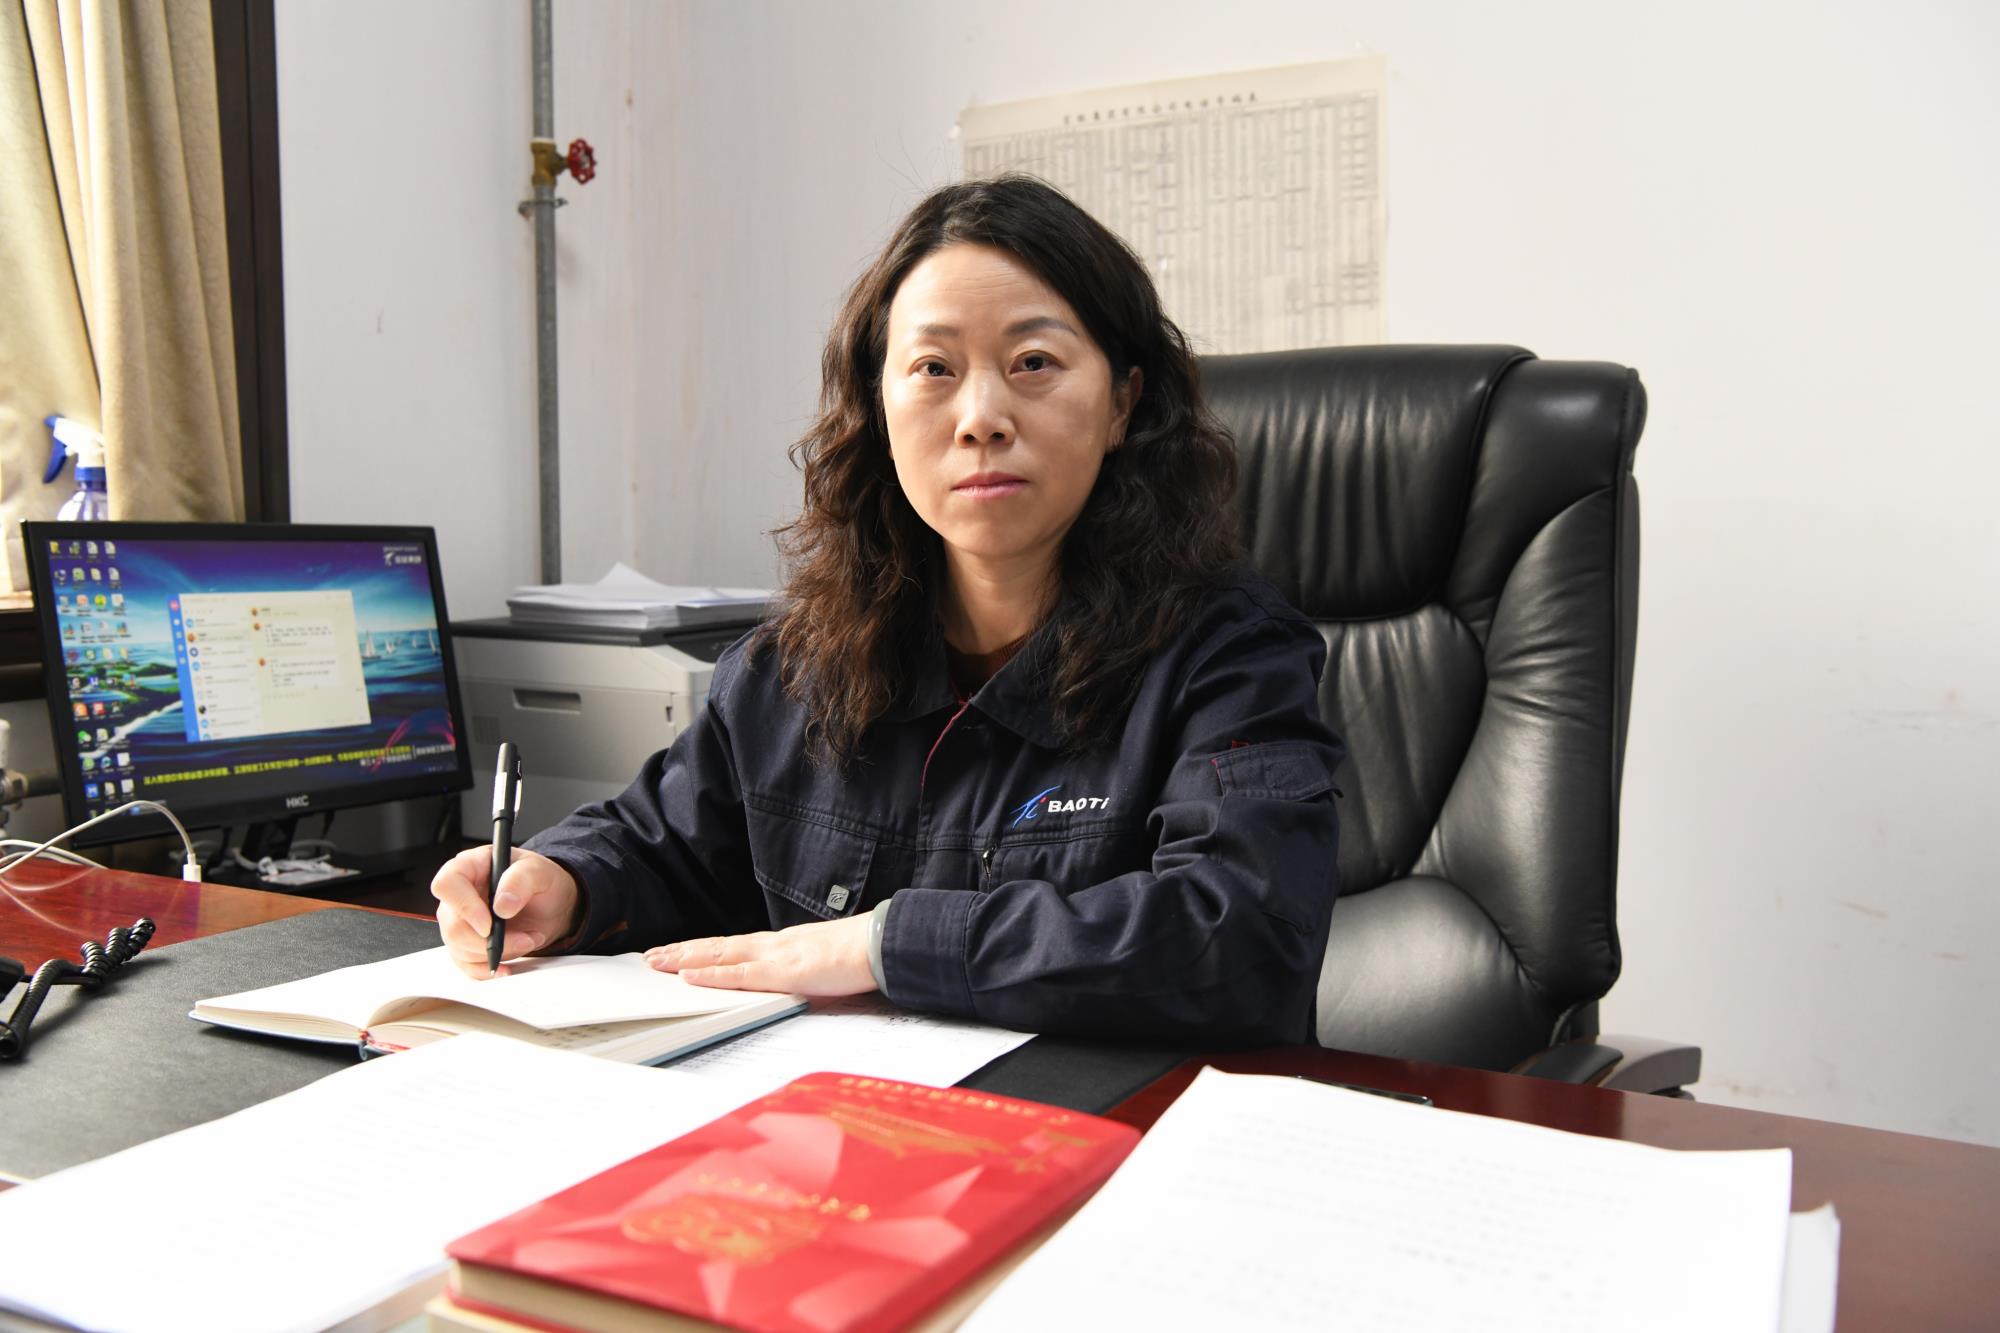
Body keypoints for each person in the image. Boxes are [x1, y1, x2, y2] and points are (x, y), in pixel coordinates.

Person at [431, 174, 1344, 1044]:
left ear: (1122, 404)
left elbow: (1242, 936)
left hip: (1112, 1134)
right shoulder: (796, 664)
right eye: (934, 367)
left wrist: (880, 942)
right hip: (842, 1130)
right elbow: (662, 842)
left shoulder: (1230, 657)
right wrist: (561, 882)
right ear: (879, 406)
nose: (980, 416)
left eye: (1033, 362)